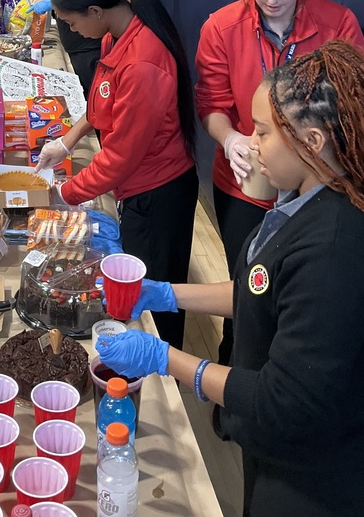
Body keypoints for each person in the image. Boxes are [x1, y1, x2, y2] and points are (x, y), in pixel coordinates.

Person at [98, 41, 364, 517]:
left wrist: (168, 359)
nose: (250, 142)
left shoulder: (334, 248)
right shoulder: (300, 196)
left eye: (262, 133)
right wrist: (163, 294)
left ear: (313, 142)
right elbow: (259, 293)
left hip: (310, 475)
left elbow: (282, 398)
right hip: (270, 447)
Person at [195, 0, 364, 365]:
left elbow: (351, 105)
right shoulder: (222, 26)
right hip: (246, 181)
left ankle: (281, 373)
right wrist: (230, 137)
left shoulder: (337, 23)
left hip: (315, 185)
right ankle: (237, 370)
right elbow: (212, 103)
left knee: (299, 294)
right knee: (247, 285)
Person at [36, 0, 198, 351]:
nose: (72, 30)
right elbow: (100, 102)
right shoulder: (115, 33)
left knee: (153, 298)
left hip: (159, 192)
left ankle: (165, 377)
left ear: (95, 10)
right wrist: (67, 141)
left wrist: (65, 194)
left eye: (72, 23)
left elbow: (120, 158)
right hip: (137, 185)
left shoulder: (143, 62)